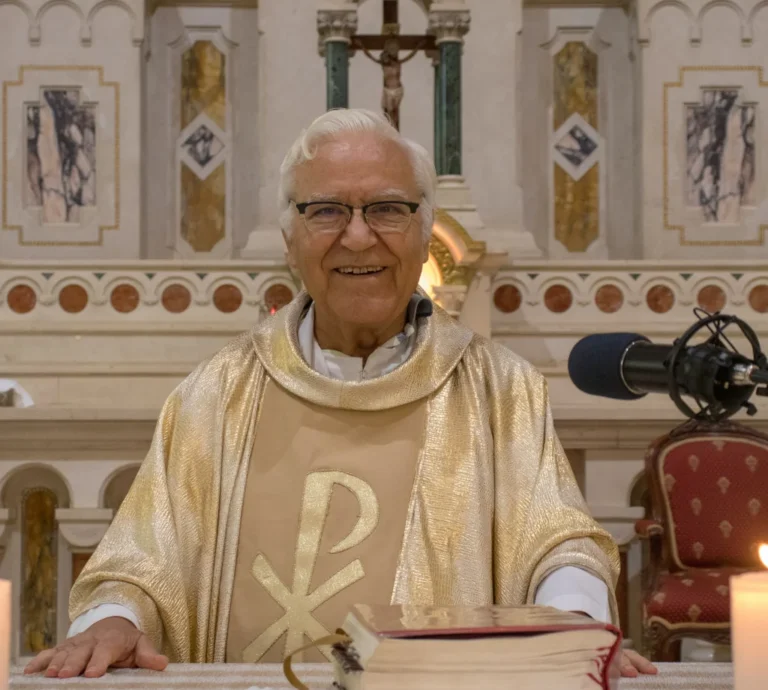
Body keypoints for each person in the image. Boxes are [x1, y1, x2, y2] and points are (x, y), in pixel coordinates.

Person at [26, 109, 656, 679]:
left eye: (387, 209)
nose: (358, 237)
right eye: (326, 211)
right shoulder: (216, 394)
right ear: (290, 240)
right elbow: (141, 562)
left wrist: (572, 625)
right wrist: (113, 620)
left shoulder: (499, 389)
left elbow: (557, 544)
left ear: (425, 233)